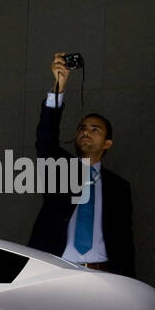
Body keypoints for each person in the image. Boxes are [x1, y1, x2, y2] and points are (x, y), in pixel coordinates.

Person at [27, 52, 134, 277]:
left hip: (103, 276)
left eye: (96, 130)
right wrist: (59, 84)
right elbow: (45, 138)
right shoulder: (59, 169)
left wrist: (128, 282)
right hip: (55, 273)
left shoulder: (119, 187)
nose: (87, 132)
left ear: (107, 143)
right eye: (82, 128)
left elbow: (124, 239)